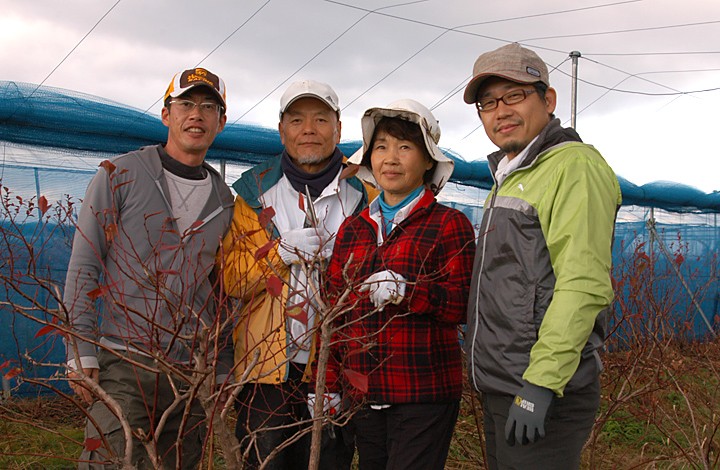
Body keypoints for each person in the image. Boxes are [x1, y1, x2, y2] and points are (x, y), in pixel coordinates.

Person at [63, 67, 234, 469]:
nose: (197, 115)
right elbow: (86, 260)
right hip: (124, 361)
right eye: (186, 104)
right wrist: (79, 349)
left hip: (190, 371)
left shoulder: (225, 201)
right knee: (108, 460)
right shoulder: (121, 174)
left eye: (209, 107)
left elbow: (224, 292)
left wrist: (221, 365)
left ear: (221, 122)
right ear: (165, 114)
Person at [463, 42, 622, 469]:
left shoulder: (573, 167)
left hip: (542, 388)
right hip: (501, 383)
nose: (500, 111)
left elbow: (582, 284)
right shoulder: (511, 175)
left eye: (515, 95)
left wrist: (540, 386)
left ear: (548, 100)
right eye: (488, 102)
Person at [221, 79, 370, 469]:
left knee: (328, 462)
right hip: (266, 367)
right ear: (281, 128)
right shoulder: (255, 192)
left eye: (321, 119)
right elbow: (233, 279)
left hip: (335, 366)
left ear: (338, 128)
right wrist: (279, 253)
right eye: (297, 119)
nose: (309, 129)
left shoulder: (365, 193)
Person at [319, 99, 476, 470]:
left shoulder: (448, 224)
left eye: (405, 147)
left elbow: (462, 304)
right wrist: (326, 384)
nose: (391, 158)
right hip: (363, 394)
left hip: (423, 393)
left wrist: (410, 291)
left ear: (427, 161)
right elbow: (333, 314)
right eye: (382, 147)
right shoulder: (354, 229)